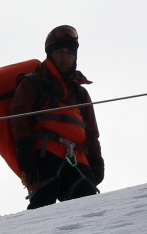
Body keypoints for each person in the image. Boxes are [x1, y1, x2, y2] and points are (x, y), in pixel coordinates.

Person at [9, 25, 104, 209]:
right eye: (59, 52)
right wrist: (24, 147)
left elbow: (91, 131)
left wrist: (96, 158)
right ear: (50, 55)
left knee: (90, 209)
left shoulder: (80, 93)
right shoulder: (34, 83)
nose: (65, 57)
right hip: (45, 154)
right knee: (43, 206)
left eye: (69, 52)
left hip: (78, 159)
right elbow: (19, 117)